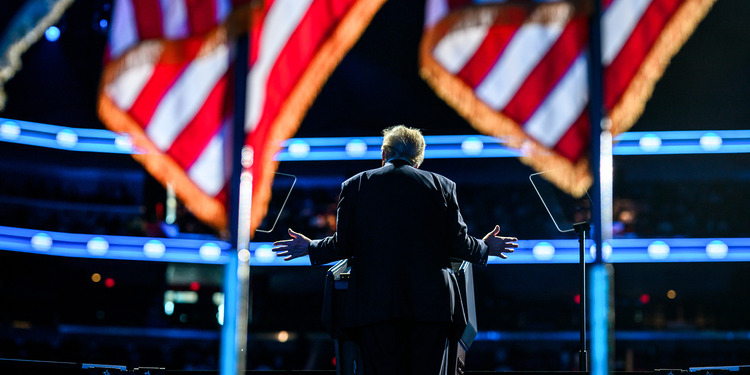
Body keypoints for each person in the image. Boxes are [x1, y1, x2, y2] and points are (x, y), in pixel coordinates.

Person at [273, 125, 518, 374]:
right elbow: (459, 244)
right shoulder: (443, 186)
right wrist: (486, 247)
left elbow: (343, 245)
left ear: (384, 153)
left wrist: (310, 247)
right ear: (418, 160)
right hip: (432, 309)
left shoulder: (355, 186)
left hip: (375, 309)